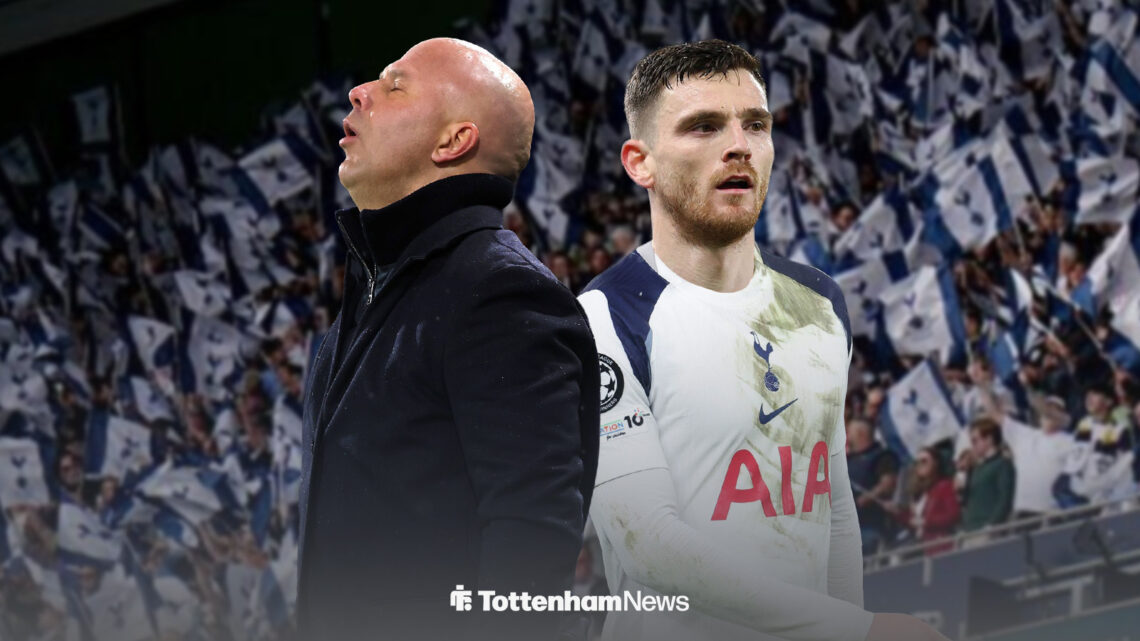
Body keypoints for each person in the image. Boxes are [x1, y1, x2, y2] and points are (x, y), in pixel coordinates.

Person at [579, 40, 948, 641]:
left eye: (756, 124)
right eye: (703, 126)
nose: (739, 145)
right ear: (639, 162)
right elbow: (648, 544)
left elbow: (831, 505)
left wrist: (847, 626)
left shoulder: (821, 304)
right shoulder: (603, 316)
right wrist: (853, 629)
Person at [296, 38, 600, 641]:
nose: (359, 92)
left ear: (453, 142)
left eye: (395, 84)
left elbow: (529, 550)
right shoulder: (368, 304)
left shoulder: (498, 292)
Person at [960, 418, 1016, 534]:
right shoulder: (976, 468)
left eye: (975, 441)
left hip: (987, 529)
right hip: (970, 529)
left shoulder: (1002, 464)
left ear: (989, 439)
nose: (972, 445)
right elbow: (968, 501)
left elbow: (1005, 499)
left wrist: (993, 525)